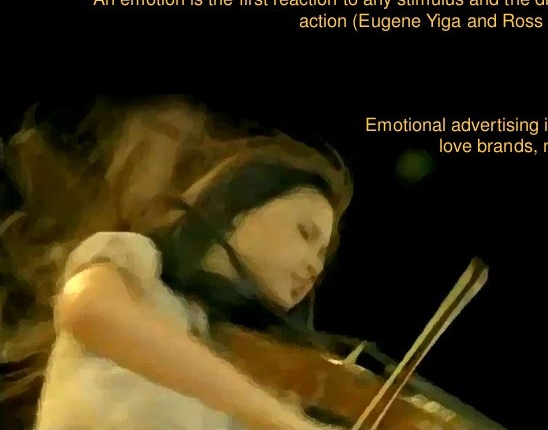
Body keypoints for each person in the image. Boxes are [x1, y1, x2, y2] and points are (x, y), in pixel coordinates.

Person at [0, 96, 354, 430]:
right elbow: (88, 310)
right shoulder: (136, 261)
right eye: (305, 233)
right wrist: (288, 422)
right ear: (242, 204)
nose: (315, 268)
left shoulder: (250, 361)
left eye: (322, 256)